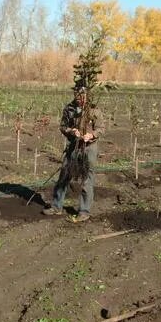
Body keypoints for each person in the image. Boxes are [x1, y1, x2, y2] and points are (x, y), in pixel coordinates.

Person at [42, 86, 105, 222]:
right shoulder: (69, 108)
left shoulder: (95, 109)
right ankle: (56, 206)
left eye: (83, 96)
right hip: (73, 147)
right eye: (78, 96)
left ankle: (84, 211)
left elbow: (101, 128)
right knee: (64, 174)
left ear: (88, 96)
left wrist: (91, 135)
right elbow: (63, 126)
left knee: (87, 179)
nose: (80, 99)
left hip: (89, 148)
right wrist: (71, 131)